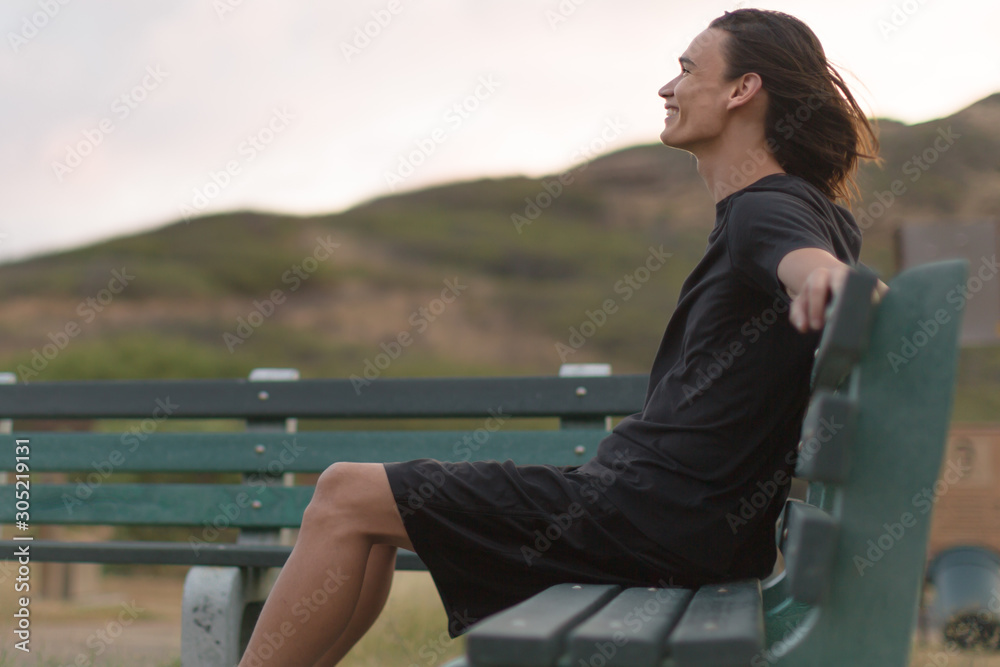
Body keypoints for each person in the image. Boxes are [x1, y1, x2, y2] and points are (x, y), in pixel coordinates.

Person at [238, 8, 888, 666]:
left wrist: (826, 281)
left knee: (345, 493)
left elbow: (806, 263)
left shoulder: (764, 206)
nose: (667, 88)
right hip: (673, 517)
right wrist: (829, 278)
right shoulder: (799, 205)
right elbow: (809, 258)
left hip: (652, 519)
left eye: (688, 69)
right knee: (366, 514)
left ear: (741, 91)